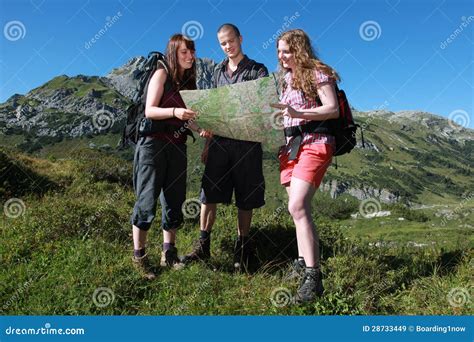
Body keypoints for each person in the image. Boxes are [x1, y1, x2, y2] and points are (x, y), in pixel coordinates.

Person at [182, 23, 269, 272]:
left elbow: (261, 107)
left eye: (231, 41)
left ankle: (242, 248)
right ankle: (203, 246)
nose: (228, 46)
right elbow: (218, 109)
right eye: (223, 43)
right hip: (219, 142)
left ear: (240, 38)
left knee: (245, 198)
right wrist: (208, 140)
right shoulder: (218, 72)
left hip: (247, 144)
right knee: (209, 194)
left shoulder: (257, 70)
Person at [130, 34, 210, 280]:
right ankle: (139, 257)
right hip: (152, 146)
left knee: (174, 201)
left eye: (192, 52)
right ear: (174, 53)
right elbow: (150, 110)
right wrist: (175, 110)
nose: (190, 56)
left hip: (177, 146)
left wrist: (199, 129)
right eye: (184, 52)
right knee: (146, 201)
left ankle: (169, 254)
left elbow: (187, 118)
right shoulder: (161, 73)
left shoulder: (187, 81)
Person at [276, 29, 340, 302]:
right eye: (278, 51)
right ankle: (303, 263)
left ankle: (314, 278)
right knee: (299, 211)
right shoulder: (286, 79)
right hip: (290, 148)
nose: (281, 56)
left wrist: (299, 113)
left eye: (286, 51)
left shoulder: (318, 71)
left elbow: (332, 108)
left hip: (315, 141)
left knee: (297, 206)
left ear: (299, 49)